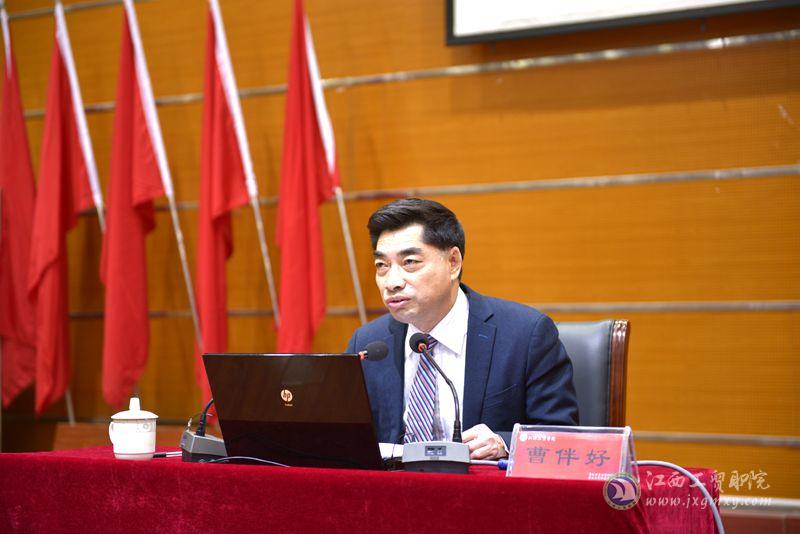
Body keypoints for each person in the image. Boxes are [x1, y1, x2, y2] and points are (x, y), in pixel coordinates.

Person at [345, 198, 578, 460]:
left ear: (453, 262)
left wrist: (504, 443)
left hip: (482, 485)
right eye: (382, 266)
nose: (392, 282)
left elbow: (563, 437)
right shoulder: (367, 343)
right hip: (393, 485)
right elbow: (344, 439)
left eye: (409, 262)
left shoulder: (524, 336)